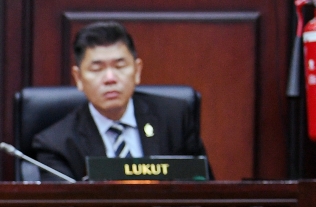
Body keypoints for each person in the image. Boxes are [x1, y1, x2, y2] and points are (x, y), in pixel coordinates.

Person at [32, 22, 208, 181]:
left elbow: (203, 188)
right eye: (97, 68)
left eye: (120, 66)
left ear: (137, 71)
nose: (110, 78)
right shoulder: (57, 144)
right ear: (78, 78)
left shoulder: (175, 118)